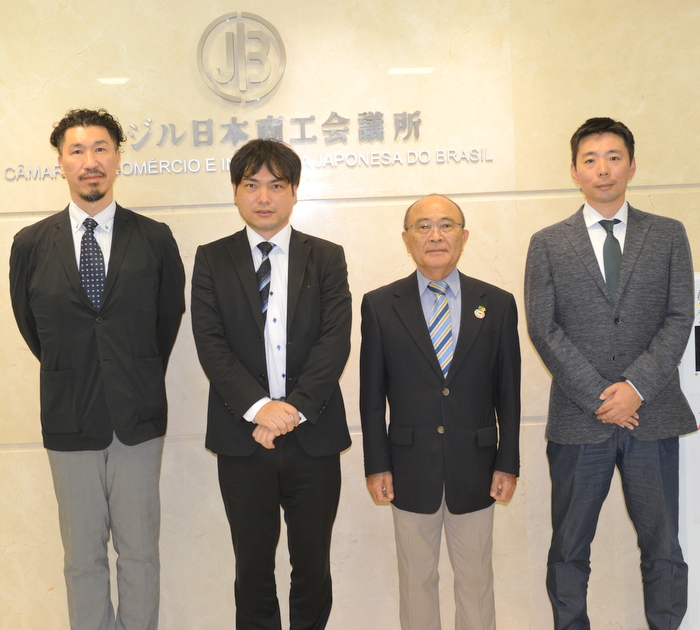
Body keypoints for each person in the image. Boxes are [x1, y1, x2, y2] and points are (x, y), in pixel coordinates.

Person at [9, 108, 186, 630]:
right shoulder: (30, 244)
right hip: (69, 418)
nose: (91, 161)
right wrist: (77, 370)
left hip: (138, 419)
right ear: (61, 162)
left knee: (140, 553)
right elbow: (33, 327)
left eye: (101, 148)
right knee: (82, 558)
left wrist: (129, 371)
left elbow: (165, 323)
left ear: (117, 157)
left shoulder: (154, 238)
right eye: (78, 150)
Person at [525, 117, 696, 630]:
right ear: (574, 170)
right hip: (580, 420)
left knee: (663, 548)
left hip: (653, 415)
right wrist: (602, 396)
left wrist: (636, 388)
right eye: (591, 159)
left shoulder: (668, 234)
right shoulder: (548, 243)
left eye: (614, 157)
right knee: (568, 549)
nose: (603, 169)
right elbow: (543, 328)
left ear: (632, 166)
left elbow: (679, 317)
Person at [191, 138, 352, 630]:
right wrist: (260, 408)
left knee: (313, 567)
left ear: (295, 192)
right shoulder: (212, 258)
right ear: (235, 192)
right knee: (252, 570)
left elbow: (334, 341)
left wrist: (291, 410)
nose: (264, 197)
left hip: (313, 436)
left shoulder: (326, 256)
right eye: (252, 185)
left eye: (276, 185)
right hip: (243, 440)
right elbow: (211, 344)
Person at [360, 194, 521, 630]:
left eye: (446, 225)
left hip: (478, 465)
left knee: (476, 580)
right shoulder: (380, 305)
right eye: (423, 226)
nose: (435, 235)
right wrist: (377, 465)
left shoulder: (498, 303)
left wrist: (508, 462)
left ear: (464, 236)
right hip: (409, 466)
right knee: (416, 582)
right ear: (407, 239)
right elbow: (371, 396)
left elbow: (509, 392)